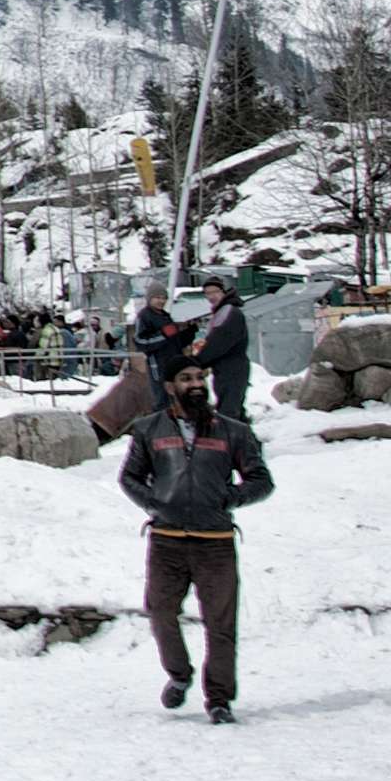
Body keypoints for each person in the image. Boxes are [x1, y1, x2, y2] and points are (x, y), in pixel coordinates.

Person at [118, 357, 273, 722]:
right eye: (186, 379)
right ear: (171, 386)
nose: (196, 385)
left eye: (200, 377)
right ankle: (179, 674)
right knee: (160, 613)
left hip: (215, 541)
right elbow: (129, 478)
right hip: (166, 541)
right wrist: (154, 504)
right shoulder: (149, 429)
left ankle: (219, 699)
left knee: (221, 624)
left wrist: (229, 498)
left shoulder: (233, 431)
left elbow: (261, 481)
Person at [187, 277, 253, 426]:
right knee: (234, 410)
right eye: (207, 293)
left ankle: (233, 446)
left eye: (215, 292)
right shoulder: (222, 311)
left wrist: (197, 361)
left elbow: (219, 343)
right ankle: (248, 446)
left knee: (228, 412)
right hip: (225, 368)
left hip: (232, 368)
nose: (211, 296)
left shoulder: (229, 312)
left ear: (224, 292)